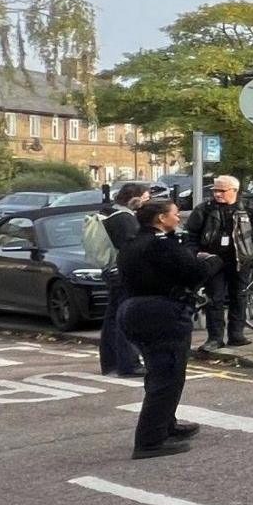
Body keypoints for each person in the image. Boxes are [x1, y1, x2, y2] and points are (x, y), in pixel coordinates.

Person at [116, 197, 220, 458]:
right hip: (162, 313)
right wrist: (210, 261)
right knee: (167, 377)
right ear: (161, 219)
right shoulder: (160, 245)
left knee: (159, 373)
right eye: (175, 214)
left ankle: (166, 426)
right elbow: (194, 273)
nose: (178, 218)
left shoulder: (132, 243)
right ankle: (150, 442)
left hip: (133, 310)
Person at [184, 175, 253, 350]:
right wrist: (197, 253)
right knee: (214, 299)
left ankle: (236, 335)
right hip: (212, 260)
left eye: (221, 190)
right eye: (214, 190)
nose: (217, 194)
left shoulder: (249, 208)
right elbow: (190, 234)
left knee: (239, 296)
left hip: (240, 260)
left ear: (234, 191)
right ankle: (214, 338)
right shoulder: (204, 209)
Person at [90, 181, 152, 378]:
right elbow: (132, 248)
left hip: (112, 271)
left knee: (112, 319)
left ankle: (110, 363)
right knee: (126, 319)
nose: (148, 202)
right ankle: (129, 364)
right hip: (122, 273)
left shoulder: (111, 213)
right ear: (135, 198)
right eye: (146, 198)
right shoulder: (124, 218)